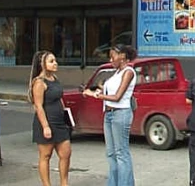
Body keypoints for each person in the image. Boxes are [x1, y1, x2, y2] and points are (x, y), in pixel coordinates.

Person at [83, 44, 137, 186]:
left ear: (122, 56)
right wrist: (100, 88)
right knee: (111, 153)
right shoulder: (117, 72)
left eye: (112, 56)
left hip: (121, 114)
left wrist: (95, 94)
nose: (110, 59)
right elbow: (110, 90)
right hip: (109, 114)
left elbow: (117, 96)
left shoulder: (128, 72)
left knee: (121, 153)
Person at [29, 51, 71, 186]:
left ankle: (64, 183)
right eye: (51, 61)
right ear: (43, 64)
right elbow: (38, 106)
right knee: (45, 156)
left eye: (55, 60)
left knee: (66, 154)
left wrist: (66, 115)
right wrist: (46, 126)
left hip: (60, 122)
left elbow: (59, 98)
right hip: (47, 122)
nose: (55, 63)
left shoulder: (54, 78)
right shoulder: (39, 82)